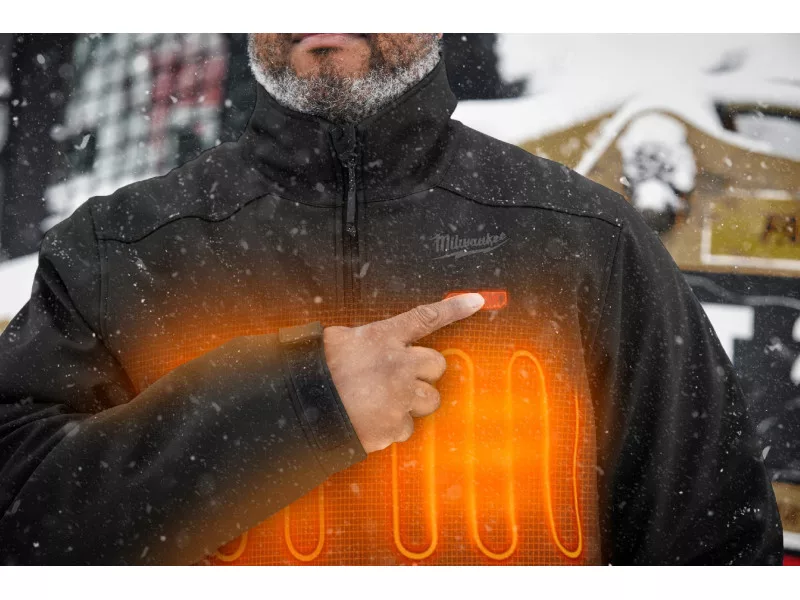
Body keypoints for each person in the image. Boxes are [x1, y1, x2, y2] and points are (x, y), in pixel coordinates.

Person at [0, 33, 783, 565]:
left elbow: (714, 546)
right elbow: (20, 525)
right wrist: (300, 406)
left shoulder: (586, 240)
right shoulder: (122, 248)